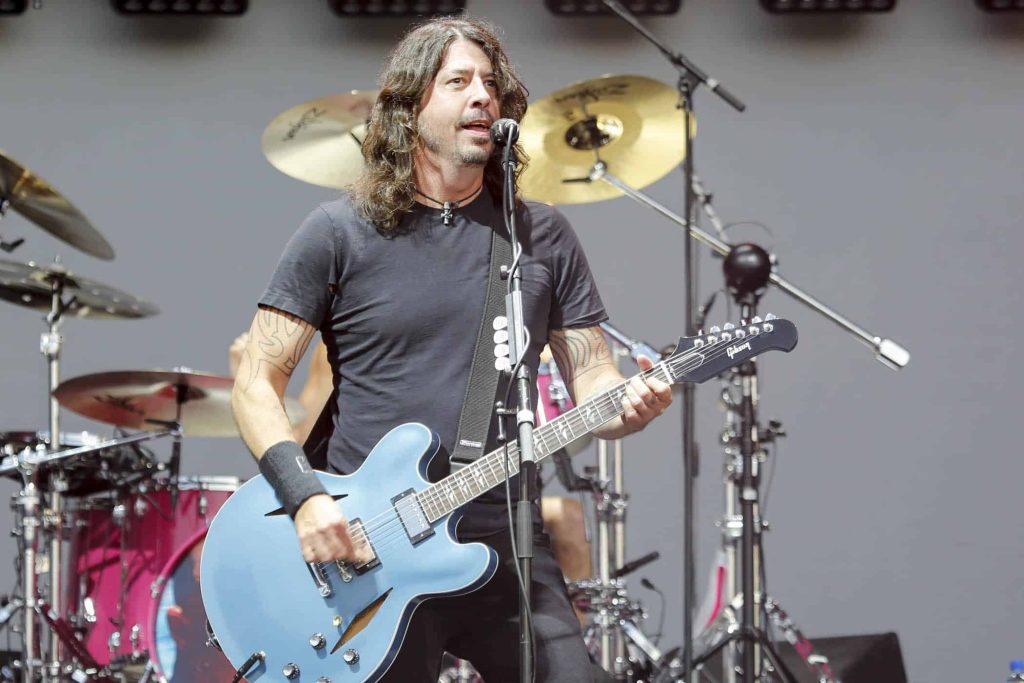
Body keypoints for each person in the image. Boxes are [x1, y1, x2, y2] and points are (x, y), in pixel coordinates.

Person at [230, 16, 672, 682]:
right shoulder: (339, 232)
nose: (481, 97)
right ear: (410, 111)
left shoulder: (538, 234)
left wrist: (627, 404)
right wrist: (306, 498)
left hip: (504, 531)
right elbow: (255, 381)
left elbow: (593, 377)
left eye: (490, 84)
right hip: (368, 544)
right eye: (458, 81)